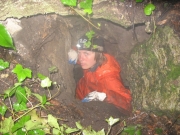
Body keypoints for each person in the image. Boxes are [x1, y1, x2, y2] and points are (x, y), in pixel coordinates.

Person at [68, 34, 132, 115]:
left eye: (86, 54)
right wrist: (74, 52)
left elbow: (127, 103)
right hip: (81, 94)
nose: (81, 58)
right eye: (79, 53)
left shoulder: (108, 77)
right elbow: (82, 53)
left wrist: (105, 96)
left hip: (89, 106)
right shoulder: (90, 61)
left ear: (98, 54)